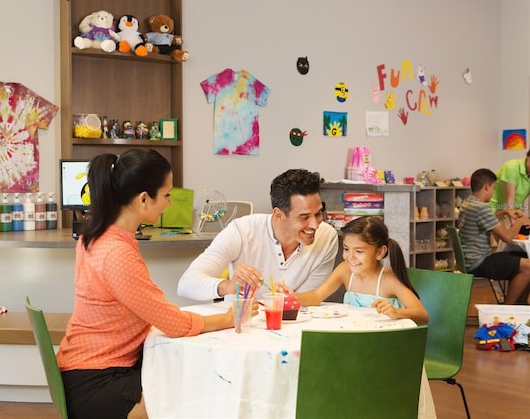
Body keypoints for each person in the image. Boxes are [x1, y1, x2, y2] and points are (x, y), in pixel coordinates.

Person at [56, 149, 245, 419]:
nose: (169, 202)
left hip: (84, 366)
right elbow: (174, 324)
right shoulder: (116, 253)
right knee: (201, 384)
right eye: (166, 194)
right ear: (144, 199)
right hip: (97, 379)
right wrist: (228, 318)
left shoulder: (96, 237)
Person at [177, 169, 339, 301]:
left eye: (318, 214)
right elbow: (186, 284)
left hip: (293, 326)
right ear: (278, 214)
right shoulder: (241, 231)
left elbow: (310, 299)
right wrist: (227, 286)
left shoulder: (327, 237)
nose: (315, 224)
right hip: (241, 325)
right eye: (304, 217)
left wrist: (289, 298)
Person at [287, 216, 428, 325]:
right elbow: (316, 296)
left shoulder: (389, 279)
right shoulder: (345, 270)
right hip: (357, 340)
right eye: (346, 249)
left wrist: (396, 312)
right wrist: (289, 297)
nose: (350, 257)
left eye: (359, 251)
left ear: (380, 252)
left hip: (387, 344)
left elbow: (422, 315)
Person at [458, 168, 530, 305]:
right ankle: (507, 308)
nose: (493, 192)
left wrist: (503, 213)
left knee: (522, 257)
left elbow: (484, 221)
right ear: (487, 186)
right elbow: (507, 238)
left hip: (468, 260)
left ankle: (520, 304)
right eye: (494, 187)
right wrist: (520, 222)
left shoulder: (468, 203)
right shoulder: (481, 208)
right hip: (479, 262)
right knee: (528, 266)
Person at [489, 149, 530, 216]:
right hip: (493, 209)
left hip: (511, 210)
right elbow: (510, 203)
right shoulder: (512, 167)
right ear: (528, 155)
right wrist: (514, 224)